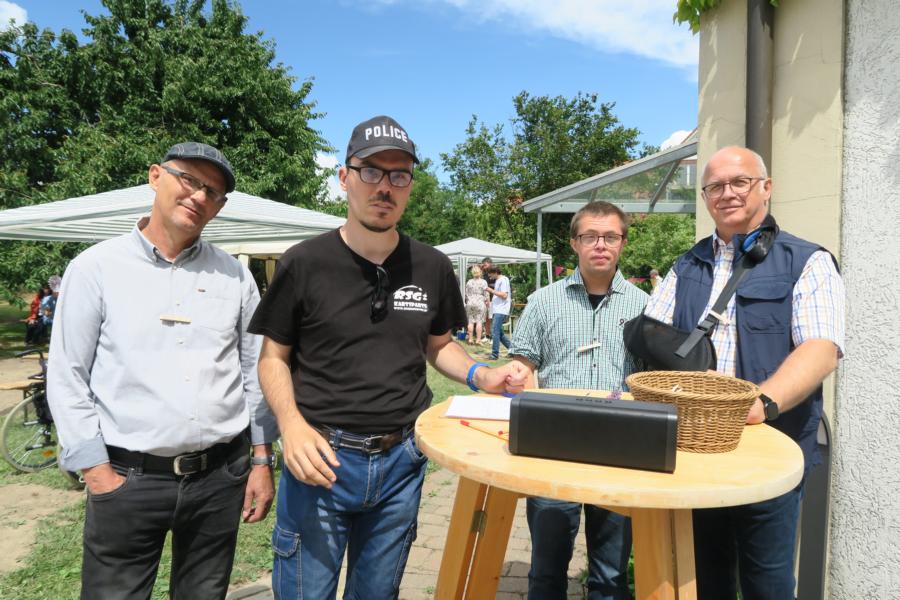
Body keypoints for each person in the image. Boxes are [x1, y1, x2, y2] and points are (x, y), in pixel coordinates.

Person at [248, 115, 529, 600]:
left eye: (399, 175)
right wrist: (290, 426)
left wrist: (483, 373)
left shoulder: (432, 266)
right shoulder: (304, 262)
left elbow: (439, 345)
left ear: (410, 186)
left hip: (402, 461)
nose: (385, 187)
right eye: (371, 171)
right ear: (344, 178)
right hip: (320, 460)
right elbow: (273, 357)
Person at [47, 142, 278, 600]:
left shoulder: (235, 276)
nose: (198, 196)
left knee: (204, 594)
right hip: (127, 477)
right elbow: (67, 375)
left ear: (221, 207)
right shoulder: (96, 268)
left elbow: (255, 372)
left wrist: (260, 460)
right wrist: (96, 473)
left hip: (219, 478)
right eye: (188, 179)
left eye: (212, 191)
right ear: (155, 176)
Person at [643, 146, 845, 599]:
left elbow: (822, 349)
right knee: (703, 579)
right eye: (715, 186)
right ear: (705, 197)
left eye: (740, 182)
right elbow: (653, 336)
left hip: (771, 449)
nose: (727, 193)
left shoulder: (807, 261)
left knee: (767, 585)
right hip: (697, 449)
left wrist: (759, 404)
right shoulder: (686, 263)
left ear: (766, 189)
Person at [510, 201, 648, 600]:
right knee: (546, 571)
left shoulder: (643, 307)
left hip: (620, 454)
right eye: (590, 236)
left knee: (610, 575)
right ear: (575, 243)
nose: (600, 245)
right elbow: (523, 365)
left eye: (610, 237)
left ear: (622, 242)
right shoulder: (543, 301)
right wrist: (520, 385)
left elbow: (650, 379)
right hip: (553, 451)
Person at [486, 265, 512, 360]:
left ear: (496, 272)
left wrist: (491, 291)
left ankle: (494, 354)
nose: (490, 277)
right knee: (499, 333)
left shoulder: (503, 280)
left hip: (501, 309)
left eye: (490, 275)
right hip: (497, 309)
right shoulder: (498, 280)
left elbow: (504, 295)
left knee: (495, 332)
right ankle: (513, 350)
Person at [464, 264, 489, 344]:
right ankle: (478, 339)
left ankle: (470, 339)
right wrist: (487, 301)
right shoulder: (483, 282)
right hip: (480, 303)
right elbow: (486, 294)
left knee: (470, 321)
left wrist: (468, 300)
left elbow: (466, 294)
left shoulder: (469, 282)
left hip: (470, 302)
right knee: (479, 321)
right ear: (480, 272)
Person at [481, 256, 495, 337]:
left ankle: (492, 334)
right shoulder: (485, 273)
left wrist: (489, 287)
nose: (484, 266)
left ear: (489, 263)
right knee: (487, 318)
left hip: (493, 298)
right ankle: (487, 334)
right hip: (487, 298)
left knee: (492, 318)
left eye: (485, 265)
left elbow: (492, 285)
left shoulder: (495, 272)